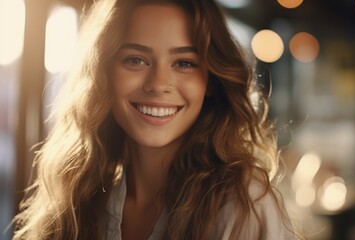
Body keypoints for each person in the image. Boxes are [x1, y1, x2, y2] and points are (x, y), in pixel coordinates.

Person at [13, 0, 297, 239]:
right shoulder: (80, 195)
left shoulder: (243, 206)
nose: (159, 84)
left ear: (210, 81)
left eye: (184, 63)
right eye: (136, 60)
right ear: (105, 75)